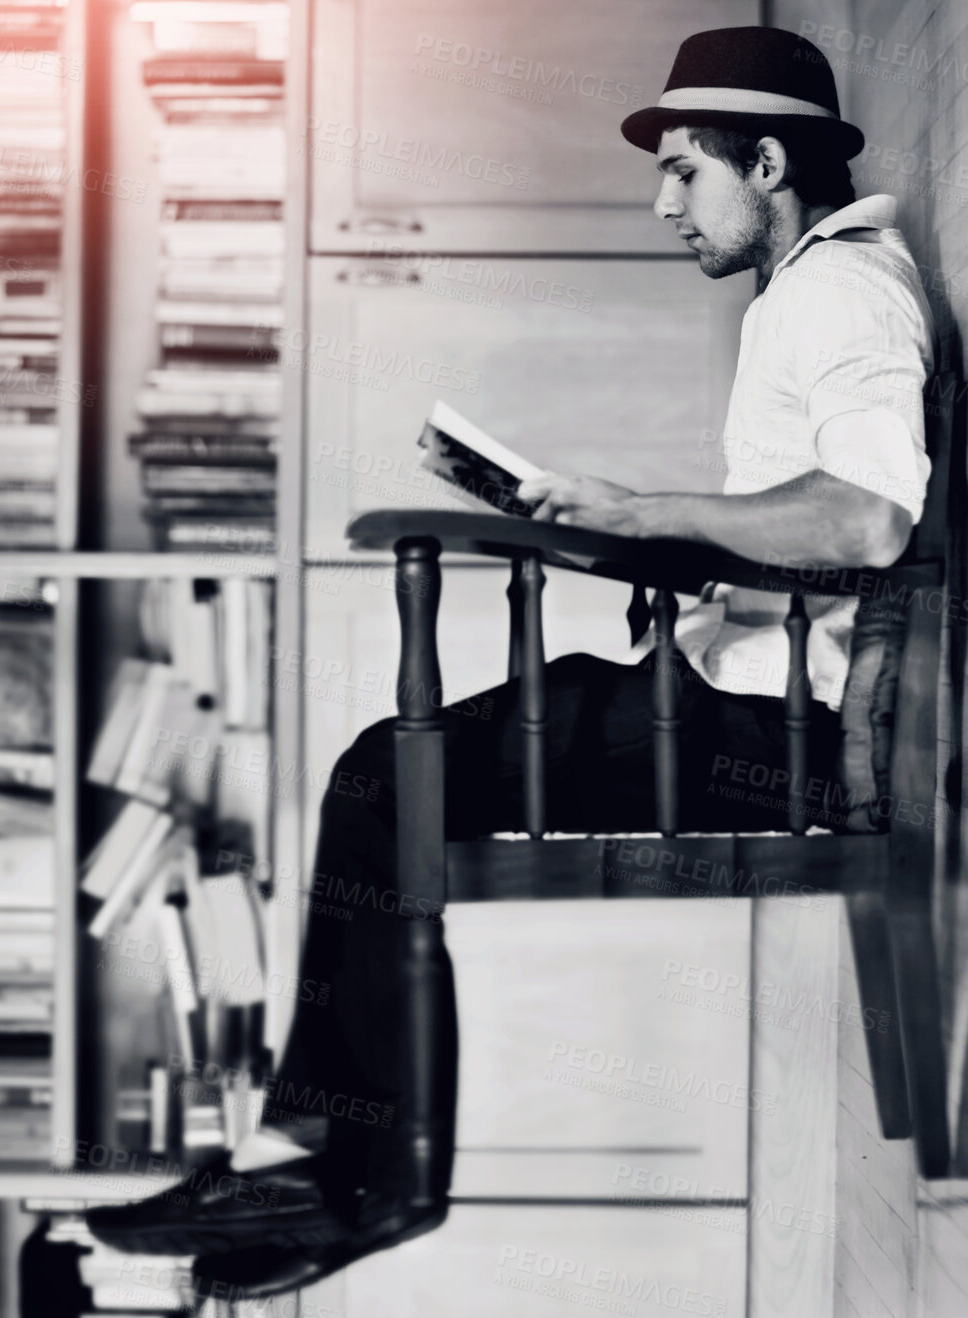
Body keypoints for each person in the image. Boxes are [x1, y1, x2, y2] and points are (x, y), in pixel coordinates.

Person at [87, 25, 934, 1299]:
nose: (663, 204)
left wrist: (646, 514)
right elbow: (830, 525)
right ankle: (319, 1157)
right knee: (384, 779)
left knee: (388, 782)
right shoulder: (811, 286)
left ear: (769, 161)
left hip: (770, 737)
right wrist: (642, 535)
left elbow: (871, 518)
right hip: (738, 691)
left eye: (685, 172)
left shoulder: (838, 291)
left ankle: (355, 1170)